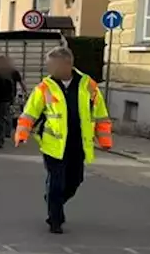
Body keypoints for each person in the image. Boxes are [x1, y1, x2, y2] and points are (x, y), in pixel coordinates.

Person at [14, 46, 112, 233]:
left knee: (75, 180)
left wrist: (105, 140)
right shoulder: (45, 87)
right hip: (53, 145)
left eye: (52, 65)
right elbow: (30, 113)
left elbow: (100, 115)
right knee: (56, 182)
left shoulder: (88, 85)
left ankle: (54, 200)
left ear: (67, 64)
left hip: (78, 143)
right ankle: (55, 218)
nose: (49, 69)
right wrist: (21, 134)